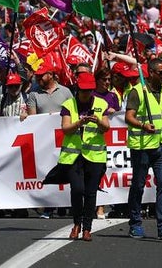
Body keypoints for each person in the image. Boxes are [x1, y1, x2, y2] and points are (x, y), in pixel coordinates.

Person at [125, 57, 162, 240]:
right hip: (142, 147)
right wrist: (142, 125)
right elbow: (128, 117)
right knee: (138, 185)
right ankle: (135, 223)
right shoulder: (137, 92)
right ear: (152, 73)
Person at [58, 72, 110, 242]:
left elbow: (106, 127)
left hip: (95, 156)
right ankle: (76, 223)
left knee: (90, 192)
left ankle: (87, 228)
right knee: (77, 190)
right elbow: (65, 129)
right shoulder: (68, 104)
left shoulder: (101, 103)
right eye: (83, 90)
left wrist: (98, 121)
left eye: (89, 90)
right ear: (77, 89)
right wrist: (79, 123)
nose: (86, 94)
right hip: (74, 156)